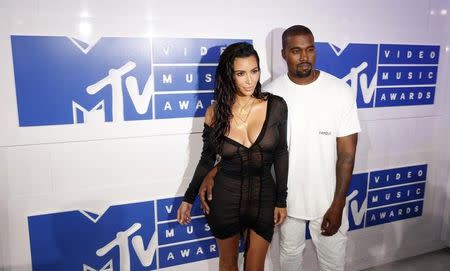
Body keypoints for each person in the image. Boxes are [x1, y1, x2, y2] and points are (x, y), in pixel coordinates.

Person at [199, 25, 360, 271]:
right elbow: (250, 148)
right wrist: (214, 170)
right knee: (289, 262)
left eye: (310, 49)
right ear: (284, 54)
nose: (304, 57)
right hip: (284, 203)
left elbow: (347, 155)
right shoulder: (269, 94)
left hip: (328, 200)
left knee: (333, 265)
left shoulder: (340, 91)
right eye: (296, 50)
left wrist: (338, 204)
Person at [177, 42, 289, 271]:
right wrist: (188, 198)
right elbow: (207, 158)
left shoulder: (276, 105)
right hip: (225, 199)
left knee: (255, 267)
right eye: (241, 73)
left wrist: (281, 199)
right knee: (227, 264)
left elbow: (280, 153)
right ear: (230, 75)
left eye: (254, 71)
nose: (250, 80)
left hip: (264, 199)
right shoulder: (215, 113)